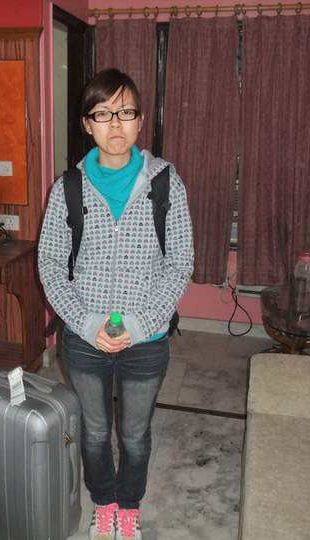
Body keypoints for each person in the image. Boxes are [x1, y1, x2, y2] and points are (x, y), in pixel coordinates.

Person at [38, 68, 194, 540]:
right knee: (93, 431)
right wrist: (86, 324)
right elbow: (50, 264)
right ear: (87, 124)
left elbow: (180, 263)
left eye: (125, 112)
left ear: (141, 120)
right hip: (83, 340)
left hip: (147, 340)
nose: (115, 124)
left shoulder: (166, 183)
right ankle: (103, 503)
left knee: (135, 435)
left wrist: (143, 324)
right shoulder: (67, 188)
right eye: (102, 114)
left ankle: (129, 507)